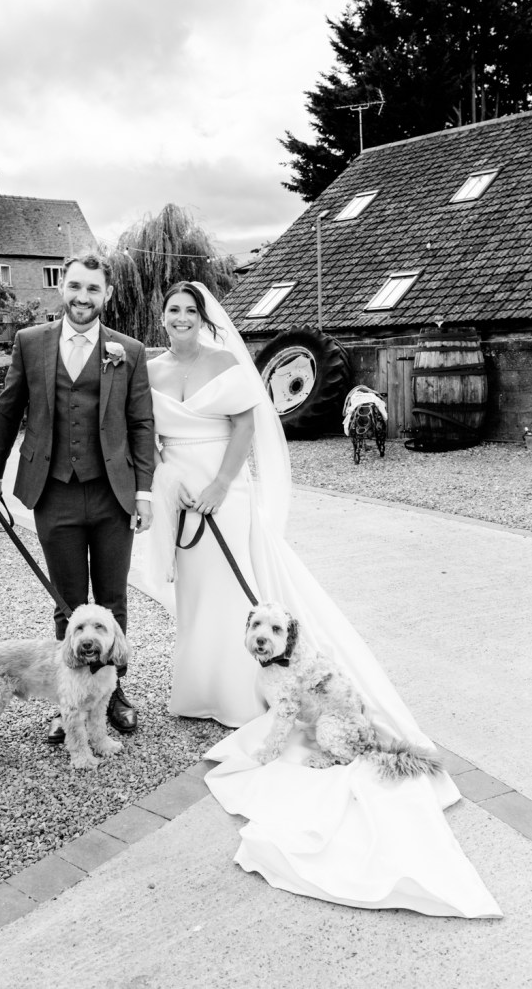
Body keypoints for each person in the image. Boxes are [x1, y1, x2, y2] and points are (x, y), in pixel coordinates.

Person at [145, 280, 501, 919]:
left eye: (189, 311)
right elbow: (144, 434)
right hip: (178, 496)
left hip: (221, 495)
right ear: (161, 316)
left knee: (237, 596)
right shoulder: (150, 366)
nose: (179, 318)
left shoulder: (227, 363)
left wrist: (223, 487)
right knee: (197, 599)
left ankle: (240, 694)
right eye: (171, 310)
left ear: (203, 318)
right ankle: (199, 687)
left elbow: (245, 429)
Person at [0, 251, 155, 737]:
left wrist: (144, 492)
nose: (82, 297)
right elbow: (9, 411)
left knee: (112, 602)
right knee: (68, 603)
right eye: (75, 286)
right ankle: (69, 699)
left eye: (93, 289)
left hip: (112, 493)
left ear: (107, 295)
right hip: (53, 491)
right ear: (64, 289)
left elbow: (142, 424)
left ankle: (111, 692)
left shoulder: (129, 351)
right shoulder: (30, 343)